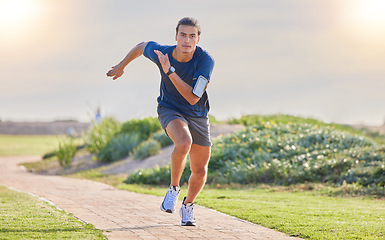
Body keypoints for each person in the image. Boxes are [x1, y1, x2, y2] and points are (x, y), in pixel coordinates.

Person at [106, 17, 214, 226]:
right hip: (170, 109)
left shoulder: (205, 61)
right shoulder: (163, 52)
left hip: (198, 113)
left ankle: (188, 206)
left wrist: (169, 71)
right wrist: (121, 66)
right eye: (183, 35)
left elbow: (193, 97)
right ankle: (173, 189)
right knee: (183, 142)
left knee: (200, 171)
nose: (187, 40)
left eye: (192, 36)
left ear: (198, 39)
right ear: (176, 36)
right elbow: (141, 47)